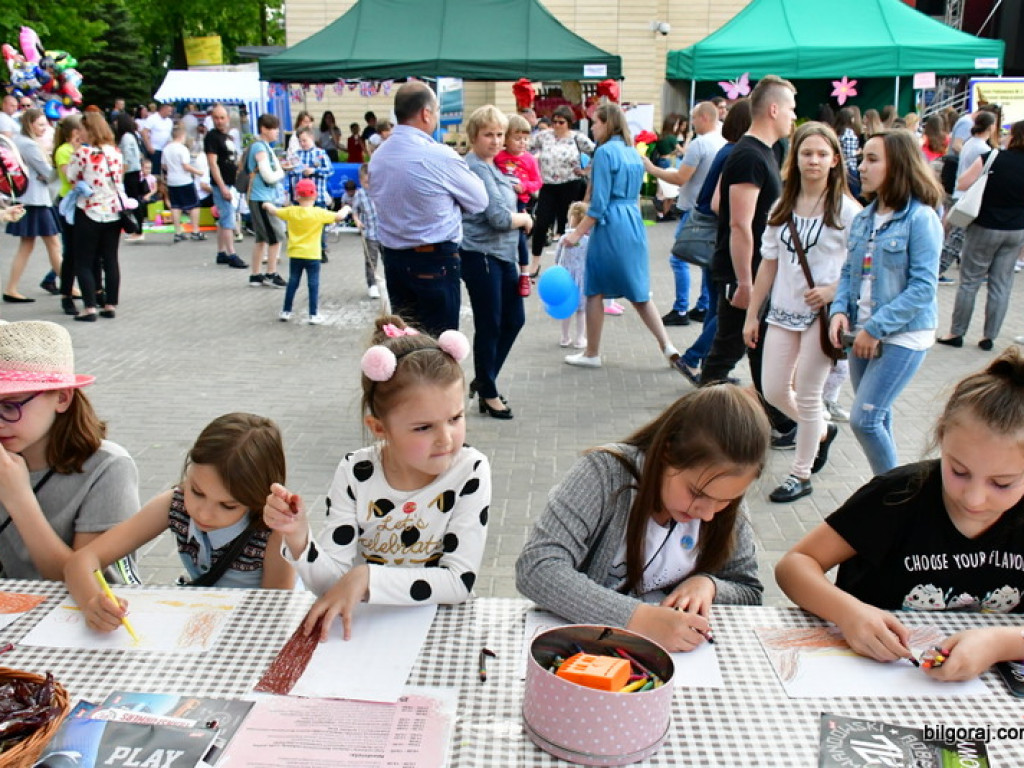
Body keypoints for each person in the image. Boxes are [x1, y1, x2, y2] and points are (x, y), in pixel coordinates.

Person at [777, 347, 1024, 681]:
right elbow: (794, 566)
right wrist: (848, 613)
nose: (975, 498)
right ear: (941, 438)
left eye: (1002, 483)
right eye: (959, 470)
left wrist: (1001, 643)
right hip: (871, 675)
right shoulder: (898, 494)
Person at [263, 315, 489, 641]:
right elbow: (332, 585)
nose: (446, 439)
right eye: (424, 427)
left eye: (455, 418)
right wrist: (298, 536)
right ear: (379, 428)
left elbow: (458, 582)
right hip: (363, 632)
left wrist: (366, 578)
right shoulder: (356, 473)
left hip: (442, 632)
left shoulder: (470, 470)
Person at [516, 384, 770, 652]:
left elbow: (749, 591)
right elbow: (537, 567)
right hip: (583, 653)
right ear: (667, 452)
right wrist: (638, 619)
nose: (708, 513)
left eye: (726, 500)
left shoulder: (725, 501)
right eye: (697, 493)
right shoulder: (604, 473)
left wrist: (709, 585)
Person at [65, 413, 295, 632]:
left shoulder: (274, 532)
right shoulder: (175, 503)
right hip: (206, 622)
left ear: (260, 497)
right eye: (197, 491)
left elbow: (273, 613)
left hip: (247, 631)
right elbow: (82, 560)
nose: (204, 514)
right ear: (188, 469)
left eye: (227, 506)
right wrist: (92, 601)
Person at [742, 122, 860, 502]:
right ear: (795, 159)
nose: (814, 160)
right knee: (774, 389)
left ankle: (800, 473)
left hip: (823, 318)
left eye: (822, 154)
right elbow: (769, 263)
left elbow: (863, 268)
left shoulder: (847, 210)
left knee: (808, 395)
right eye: (807, 153)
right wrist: (751, 314)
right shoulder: (782, 205)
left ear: (834, 160)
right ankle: (821, 429)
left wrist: (833, 290)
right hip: (783, 311)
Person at [828, 130, 944, 476]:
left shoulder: (920, 219)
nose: (861, 166)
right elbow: (849, 272)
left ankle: (893, 496)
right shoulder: (864, 217)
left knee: (865, 420)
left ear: (898, 165)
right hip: (862, 332)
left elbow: (923, 287)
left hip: (903, 333)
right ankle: (893, 493)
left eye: (872, 159)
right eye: (862, 158)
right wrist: (838, 313)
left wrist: (875, 329)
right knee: (879, 415)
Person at [700, 75, 799, 450]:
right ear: (773, 109)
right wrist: (745, 281)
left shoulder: (767, 152)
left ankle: (777, 419)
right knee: (731, 346)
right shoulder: (747, 155)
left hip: (758, 273)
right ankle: (704, 419)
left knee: (754, 345)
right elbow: (739, 224)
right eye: (789, 108)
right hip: (744, 275)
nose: (793, 115)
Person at [0, 321, 139, 581]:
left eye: (10, 405)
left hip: (85, 615)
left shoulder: (108, 467)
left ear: (62, 398)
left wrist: (18, 498)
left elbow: (85, 585)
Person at [561, 103, 680, 370]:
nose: (592, 127)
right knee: (639, 291)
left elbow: (599, 203)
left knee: (594, 289)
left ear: (607, 123)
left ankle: (592, 353)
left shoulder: (604, 153)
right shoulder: (632, 152)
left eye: (595, 122)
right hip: (633, 221)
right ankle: (668, 346)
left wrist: (577, 233)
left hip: (611, 223)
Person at [369, 81, 487, 337]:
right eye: (436, 110)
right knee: (439, 348)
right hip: (433, 260)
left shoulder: (379, 156)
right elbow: (479, 201)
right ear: (426, 113)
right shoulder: (438, 155)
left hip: (395, 260)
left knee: (406, 343)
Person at [673, 100, 753, 386]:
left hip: (714, 239)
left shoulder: (727, 150)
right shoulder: (736, 154)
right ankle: (695, 357)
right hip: (718, 239)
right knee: (725, 309)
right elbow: (719, 203)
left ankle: (705, 363)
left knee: (716, 305)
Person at [459, 106, 532, 420]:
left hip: (503, 255)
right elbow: (500, 218)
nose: (495, 140)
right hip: (481, 254)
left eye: (500, 134)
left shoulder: (497, 166)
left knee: (514, 319)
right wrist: (526, 218)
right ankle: (488, 391)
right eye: (488, 134)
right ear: (474, 136)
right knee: (490, 323)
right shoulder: (475, 167)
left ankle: (484, 378)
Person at [936, 121, 1024, 351]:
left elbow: (963, 182)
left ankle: (956, 332)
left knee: (970, 281)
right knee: (1001, 284)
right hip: (1016, 230)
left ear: (1014, 136)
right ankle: (989, 337)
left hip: (984, 225)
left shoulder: (992, 157)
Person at [645, 102, 725, 327]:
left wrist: (653, 169)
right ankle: (703, 305)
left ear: (705, 118)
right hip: (711, 209)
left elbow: (681, 178)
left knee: (679, 258)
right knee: (705, 260)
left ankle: (681, 309)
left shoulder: (700, 144)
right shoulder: (723, 141)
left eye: (694, 119)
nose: (692, 124)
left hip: (694, 210)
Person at [66, 112, 129, 322]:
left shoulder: (83, 153)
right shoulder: (115, 153)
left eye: (82, 129)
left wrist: (75, 150)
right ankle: (110, 304)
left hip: (89, 209)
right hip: (113, 211)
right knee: (110, 258)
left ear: (89, 130)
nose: (79, 133)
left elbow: (70, 176)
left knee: (84, 260)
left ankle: (89, 307)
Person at [263, 178, 350, 325]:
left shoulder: (291, 211)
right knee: (313, 284)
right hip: (313, 255)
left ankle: (286, 311)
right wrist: (346, 208)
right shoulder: (319, 213)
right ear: (315, 195)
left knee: (293, 282)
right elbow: (339, 217)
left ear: (297, 196)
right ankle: (313, 314)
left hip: (296, 254)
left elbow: (274, 211)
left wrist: (266, 204)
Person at [528, 105, 594, 279]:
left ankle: (567, 263)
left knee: (567, 224)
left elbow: (597, 152)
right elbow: (525, 148)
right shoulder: (544, 136)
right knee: (542, 223)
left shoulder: (577, 138)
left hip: (570, 184)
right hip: (548, 185)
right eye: (554, 121)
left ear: (569, 123)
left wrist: (587, 170)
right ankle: (535, 262)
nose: (557, 125)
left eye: (561, 122)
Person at [4, 108, 61, 304]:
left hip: (28, 198)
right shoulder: (29, 144)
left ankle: (11, 288)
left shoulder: (20, 141)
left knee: (27, 245)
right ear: (30, 124)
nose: (45, 128)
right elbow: (48, 172)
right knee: (52, 244)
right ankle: (69, 286)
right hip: (36, 199)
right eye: (41, 125)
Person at [494, 113, 542, 295]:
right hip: (501, 203)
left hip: (520, 204)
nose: (522, 143)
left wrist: (525, 187)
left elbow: (537, 182)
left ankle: (524, 275)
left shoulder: (529, 159)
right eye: (517, 138)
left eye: (525, 139)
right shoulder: (499, 157)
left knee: (521, 239)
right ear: (506, 138)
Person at [246, 113, 289, 288]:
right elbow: (269, 176)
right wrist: (282, 172)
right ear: (264, 129)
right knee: (276, 236)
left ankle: (255, 274)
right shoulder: (260, 149)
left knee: (261, 238)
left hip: (259, 197)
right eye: (274, 129)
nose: (277, 132)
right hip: (262, 198)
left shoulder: (262, 146)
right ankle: (271, 273)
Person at [204, 104, 245, 270]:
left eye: (222, 118)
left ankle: (221, 252)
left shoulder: (227, 137)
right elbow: (213, 164)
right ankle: (231, 253)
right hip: (223, 184)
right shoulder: (212, 137)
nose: (219, 121)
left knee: (224, 219)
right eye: (216, 118)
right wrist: (222, 187)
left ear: (227, 118)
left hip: (231, 182)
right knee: (228, 219)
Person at [52, 114, 84, 314]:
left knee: (84, 251)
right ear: (74, 132)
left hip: (82, 203)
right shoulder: (64, 151)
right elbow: (69, 176)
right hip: (68, 203)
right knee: (70, 252)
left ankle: (93, 291)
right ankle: (66, 295)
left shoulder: (80, 149)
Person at [286, 127, 333, 261]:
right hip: (300, 197)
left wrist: (314, 171)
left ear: (311, 138)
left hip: (317, 195)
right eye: (300, 141)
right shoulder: (296, 155)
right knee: (301, 223)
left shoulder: (320, 154)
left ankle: (321, 248)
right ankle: (302, 249)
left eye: (305, 140)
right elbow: (291, 174)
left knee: (319, 223)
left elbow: (330, 171)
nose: (302, 143)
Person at [161, 124, 204, 244]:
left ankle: (177, 232)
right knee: (194, 204)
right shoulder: (182, 149)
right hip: (184, 180)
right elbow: (186, 166)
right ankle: (195, 230)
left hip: (172, 180)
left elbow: (164, 165)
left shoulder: (166, 149)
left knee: (176, 206)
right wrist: (198, 172)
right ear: (182, 135)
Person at [555, 202, 590, 349]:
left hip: (565, 277)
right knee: (581, 310)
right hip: (582, 277)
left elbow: (557, 257)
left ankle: (564, 337)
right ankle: (580, 338)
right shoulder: (588, 240)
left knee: (566, 310)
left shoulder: (564, 238)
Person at [113, 113, 145, 244]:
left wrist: (120, 175)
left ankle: (138, 230)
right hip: (134, 170)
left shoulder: (126, 137)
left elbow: (125, 158)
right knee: (133, 199)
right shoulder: (132, 136)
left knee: (132, 200)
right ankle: (137, 229)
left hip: (130, 172)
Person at [351, 163, 381, 298]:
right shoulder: (360, 194)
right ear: (361, 181)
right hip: (369, 233)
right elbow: (354, 211)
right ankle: (372, 285)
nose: (369, 185)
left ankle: (389, 282)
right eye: (365, 182)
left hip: (385, 233)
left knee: (389, 259)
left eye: (371, 182)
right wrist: (357, 220)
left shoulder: (381, 191)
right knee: (371, 260)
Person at [140, 102, 173, 176]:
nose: (170, 113)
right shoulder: (152, 118)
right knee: (155, 171)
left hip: (165, 150)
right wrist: (149, 146)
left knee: (165, 170)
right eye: (169, 111)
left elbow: (169, 135)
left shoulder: (169, 121)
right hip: (154, 149)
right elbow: (144, 132)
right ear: (163, 109)